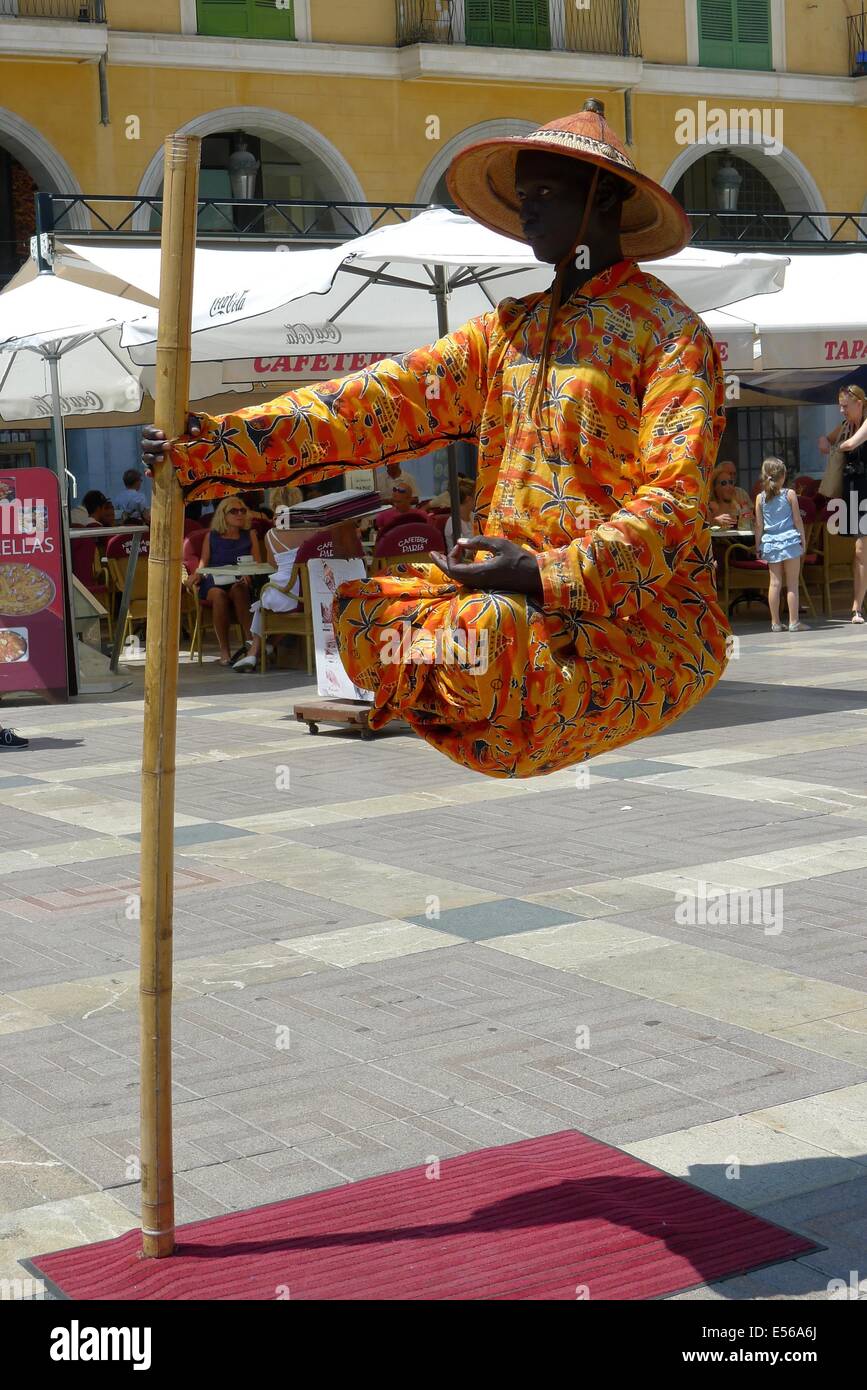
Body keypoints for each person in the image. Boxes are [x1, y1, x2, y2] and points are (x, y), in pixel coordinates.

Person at [143, 100, 730, 779]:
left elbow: (674, 497)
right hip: (510, 602)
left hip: (634, 625)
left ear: (603, 201)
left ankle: (507, 694)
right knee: (366, 613)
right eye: (524, 195)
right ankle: (487, 706)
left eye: (547, 194)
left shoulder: (667, 333)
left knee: (481, 630)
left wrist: (544, 572)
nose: (528, 209)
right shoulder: (507, 333)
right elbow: (373, 404)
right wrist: (215, 446)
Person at [184, 496, 262, 665]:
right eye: (234, 511)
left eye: (242, 510)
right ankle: (224, 650)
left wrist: (249, 575)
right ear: (223, 515)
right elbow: (203, 564)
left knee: (239, 589)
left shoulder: (250, 535)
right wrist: (196, 575)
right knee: (219, 595)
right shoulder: (212, 536)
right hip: (214, 580)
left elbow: (257, 564)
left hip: (239, 579)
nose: (239, 514)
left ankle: (251, 644)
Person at [233, 505, 302, 672]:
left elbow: (272, 564)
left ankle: (254, 650)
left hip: (285, 591)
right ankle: (267, 646)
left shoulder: (271, 535)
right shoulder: (305, 532)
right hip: (304, 594)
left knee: (264, 603)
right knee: (267, 603)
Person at [755, 457, 806, 633]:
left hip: (770, 542)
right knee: (792, 583)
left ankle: (775, 623)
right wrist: (803, 539)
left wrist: (758, 546)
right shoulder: (790, 494)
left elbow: (759, 525)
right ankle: (794, 622)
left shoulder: (759, 498)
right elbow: (797, 520)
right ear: (783, 476)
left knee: (774, 583)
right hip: (790, 541)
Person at [830, 385, 867, 622]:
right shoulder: (845, 425)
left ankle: (856, 607)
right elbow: (827, 439)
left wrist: (834, 446)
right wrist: (825, 440)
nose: (842, 410)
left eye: (845, 406)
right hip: (853, 492)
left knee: (860, 551)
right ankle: (858, 605)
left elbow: (851, 444)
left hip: (866, 492)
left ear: (859, 404)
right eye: (840, 406)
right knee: (859, 553)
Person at [708, 463, 753, 529]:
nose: (729, 487)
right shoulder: (710, 508)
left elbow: (750, 524)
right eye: (724, 483)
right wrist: (715, 521)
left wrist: (751, 519)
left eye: (731, 482)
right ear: (715, 487)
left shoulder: (737, 507)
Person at [444, 477, 477, 549]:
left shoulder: (473, 516)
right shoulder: (453, 523)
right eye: (477, 496)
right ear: (468, 499)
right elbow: (465, 554)